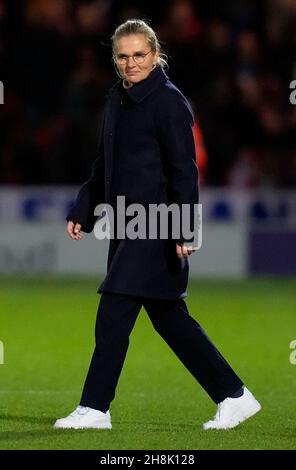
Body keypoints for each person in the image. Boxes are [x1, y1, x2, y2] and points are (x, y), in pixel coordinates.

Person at [54, 19, 261, 431]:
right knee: (168, 317)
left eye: (139, 55)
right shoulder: (116, 98)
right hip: (127, 225)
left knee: (113, 310)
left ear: (155, 53)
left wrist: (186, 228)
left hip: (158, 226)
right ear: (114, 59)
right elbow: (104, 166)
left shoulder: (168, 101)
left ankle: (95, 408)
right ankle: (233, 395)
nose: (131, 63)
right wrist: (84, 207)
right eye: (123, 56)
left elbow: (186, 171)